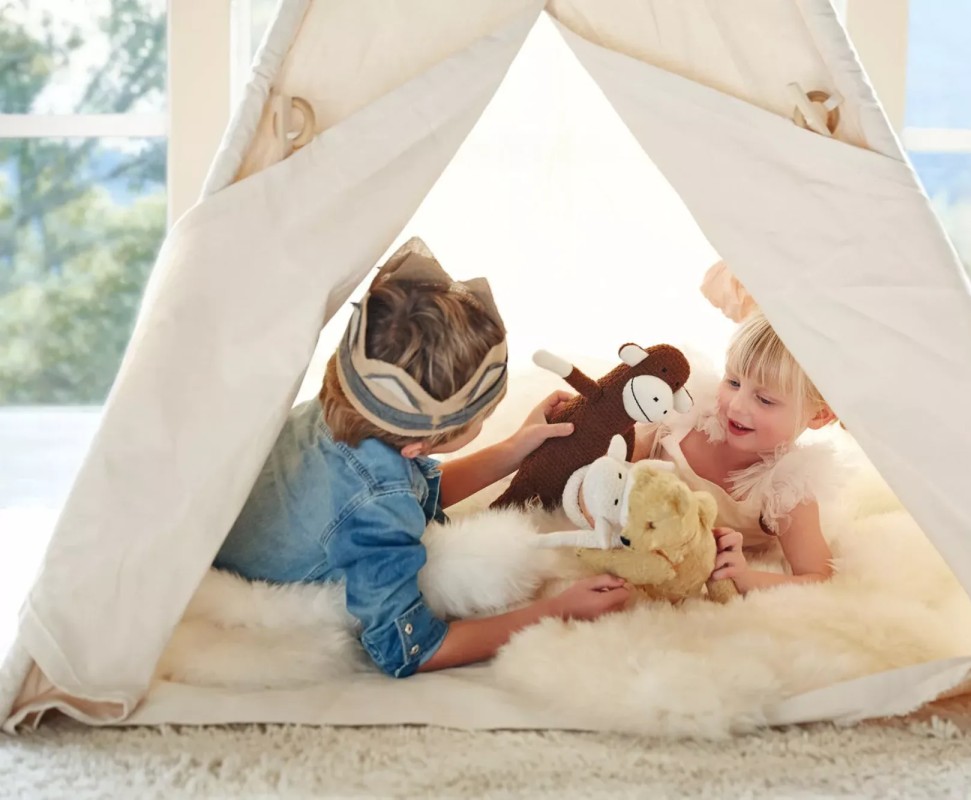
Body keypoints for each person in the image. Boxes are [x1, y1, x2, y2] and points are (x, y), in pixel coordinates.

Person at [214, 239, 628, 678]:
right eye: (484, 417)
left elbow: (412, 488)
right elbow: (411, 649)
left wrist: (513, 449)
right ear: (416, 446)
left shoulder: (349, 404)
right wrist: (556, 609)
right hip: (263, 587)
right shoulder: (374, 504)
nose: (490, 420)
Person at [633, 262, 843, 593]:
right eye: (732, 381)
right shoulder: (681, 419)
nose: (736, 405)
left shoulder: (786, 492)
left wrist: (747, 577)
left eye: (765, 400)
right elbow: (615, 460)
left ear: (818, 416)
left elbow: (819, 577)